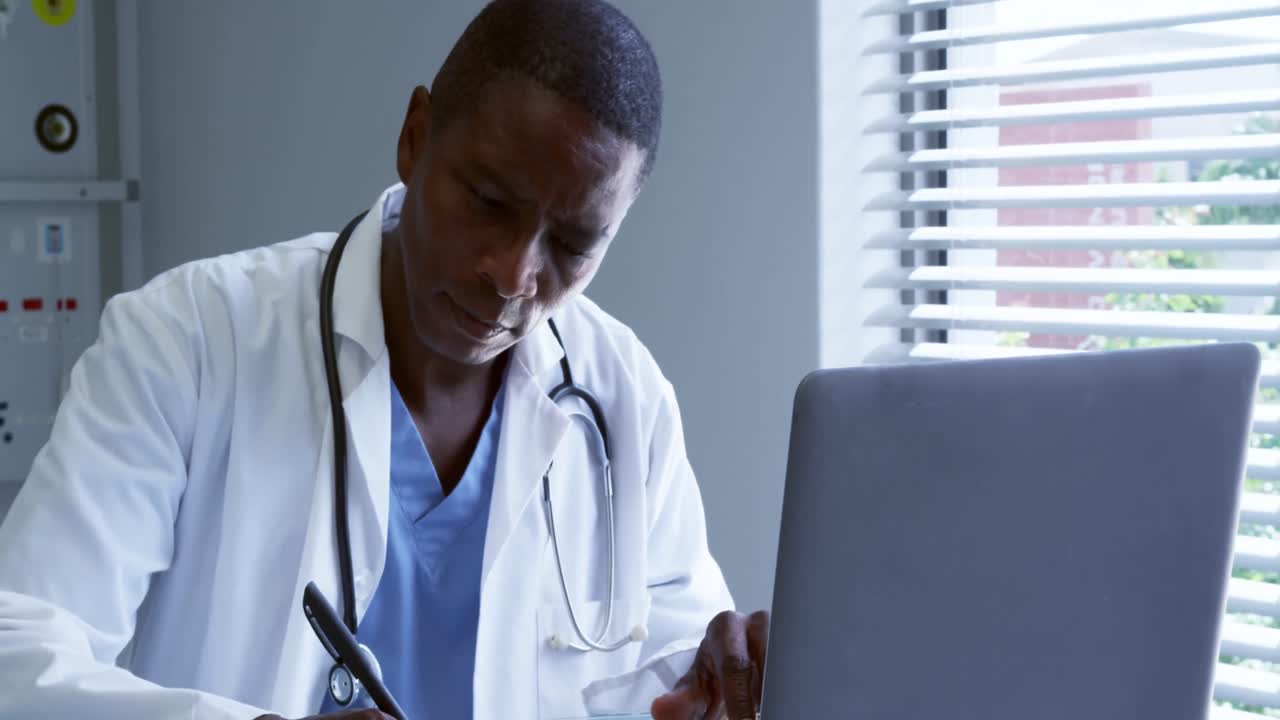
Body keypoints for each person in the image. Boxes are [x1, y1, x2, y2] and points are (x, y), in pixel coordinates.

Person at [0, 1, 769, 719]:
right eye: (489, 202)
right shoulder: (189, 340)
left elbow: (662, 665)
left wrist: (713, 677)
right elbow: (19, 654)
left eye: (572, 244)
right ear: (415, 136)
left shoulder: (621, 393)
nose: (514, 274)